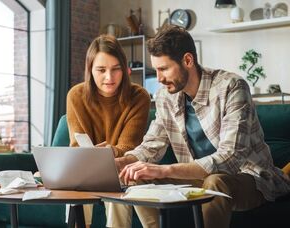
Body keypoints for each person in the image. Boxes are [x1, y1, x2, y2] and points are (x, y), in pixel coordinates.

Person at [116, 24, 290, 228]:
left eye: (164, 69)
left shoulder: (232, 87)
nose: (159, 78)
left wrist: (164, 170)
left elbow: (230, 158)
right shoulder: (165, 96)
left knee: (216, 182)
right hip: (196, 180)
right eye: (156, 70)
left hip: (248, 178)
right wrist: (122, 162)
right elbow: (152, 145)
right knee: (136, 178)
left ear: (188, 60)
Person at [66, 34, 151, 227]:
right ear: (90, 70)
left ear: (125, 69)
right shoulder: (76, 96)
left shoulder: (139, 96)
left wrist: (109, 153)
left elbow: (130, 146)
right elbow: (76, 145)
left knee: (118, 178)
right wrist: (94, 157)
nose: (109, 77)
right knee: (79, 176)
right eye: (101, 70)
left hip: (121, 166)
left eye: (116, 69)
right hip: (85, 167)